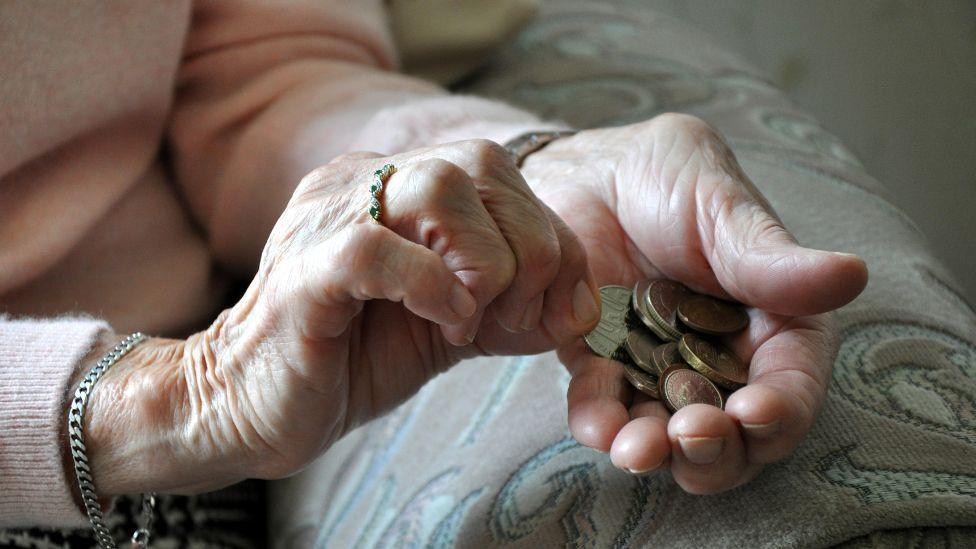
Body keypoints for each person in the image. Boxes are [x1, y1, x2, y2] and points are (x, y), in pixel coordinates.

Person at [0, 0, 867, 537]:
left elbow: (258, 80)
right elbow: (179, 405)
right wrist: (170, 400)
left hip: (173, 481)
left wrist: (528, 173)